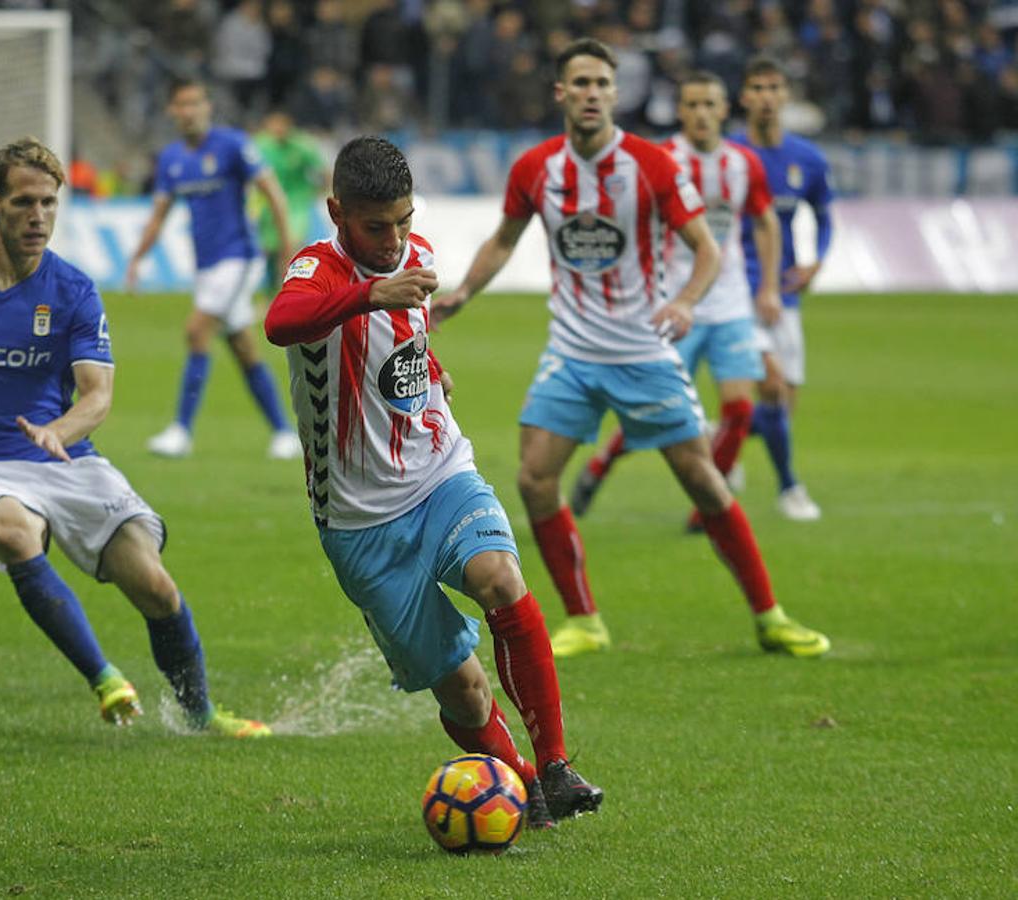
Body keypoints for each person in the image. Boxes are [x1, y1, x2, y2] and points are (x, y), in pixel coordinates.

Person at [433, 38, 830, 660]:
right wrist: (462, 293)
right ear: (561, 93)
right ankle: (583, 620)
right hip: (572, 350)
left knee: (703, 480)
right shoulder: (538, 167)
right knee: (535, 478)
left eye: (602, 84)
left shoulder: (649, 164)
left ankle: (769, 615)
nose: (592, 94)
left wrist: (686, 302)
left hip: (643, 350)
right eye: (580, 83)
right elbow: (504, 239)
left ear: (615, 94)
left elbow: (707, 248)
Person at [0, 137, 270, 737]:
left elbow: (97, 394)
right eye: (25, 202)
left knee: (155, 587)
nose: (39, 217)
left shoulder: (74, 289)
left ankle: (202, 715)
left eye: (50, 203)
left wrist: (60, 431)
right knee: (12, 531)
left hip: (67, 458)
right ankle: (106, 679)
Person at [265, 135, 604, 826]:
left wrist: (430, 367)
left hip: (439, 470)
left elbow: (405, 344)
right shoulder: (317, 269)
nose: (393, 240)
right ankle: (522, 787)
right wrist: (367, 294)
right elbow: (281, 323)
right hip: (360, 522)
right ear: (336, 212)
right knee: (466, 693)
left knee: (500, 578)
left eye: (404, 220)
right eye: (374, 226)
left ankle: (558, 765)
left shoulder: (416, 257)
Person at [570, 71, 783, 533]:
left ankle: (706, 509)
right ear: (681, 111)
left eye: (710, 104)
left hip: (729, 304)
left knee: (740, 410)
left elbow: (766, 221)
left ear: (725, 110)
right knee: (652, 409)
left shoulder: (744, 163)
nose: (702, 113)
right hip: (672, 304)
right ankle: (600, 466)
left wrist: (768, 286)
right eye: (693, 105)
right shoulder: (660, 159)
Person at [124, 77, 299, 460]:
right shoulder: (171, 158)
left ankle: (181, 431)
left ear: (208, 107)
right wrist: (137, 258)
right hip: (207, 266)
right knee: (242, 346)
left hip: (240, 257)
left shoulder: (233, 145)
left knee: (197, 330)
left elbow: (274, 196)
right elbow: (158, 216)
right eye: (182, 105)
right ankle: (285, 433)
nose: (190, 111)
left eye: (196, 103)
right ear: (173, 111)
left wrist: (286, 250)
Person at [732, 55, 835, 521]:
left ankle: (725, 435)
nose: (767, 97)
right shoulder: (729, 156)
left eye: (775, 88)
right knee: (771, 387)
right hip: (737, 291)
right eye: (758, 88)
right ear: (744, 97)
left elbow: (825, 216)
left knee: (783, 408)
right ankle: (790, 489)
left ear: (786, 96)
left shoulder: (807, 159)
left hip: (785, 292)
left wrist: (816, 262)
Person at [252, 107, 330, 295]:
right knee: (270, 249)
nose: (277, 129)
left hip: (296, 204)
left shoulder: (302, 145)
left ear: (288, 125)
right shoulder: (260, 145)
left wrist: (318, 192)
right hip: (267, 204)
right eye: (273, 124)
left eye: (281, 124)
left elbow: (324, 171)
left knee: (290, 245)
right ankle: (271, 293)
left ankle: (288, 290)